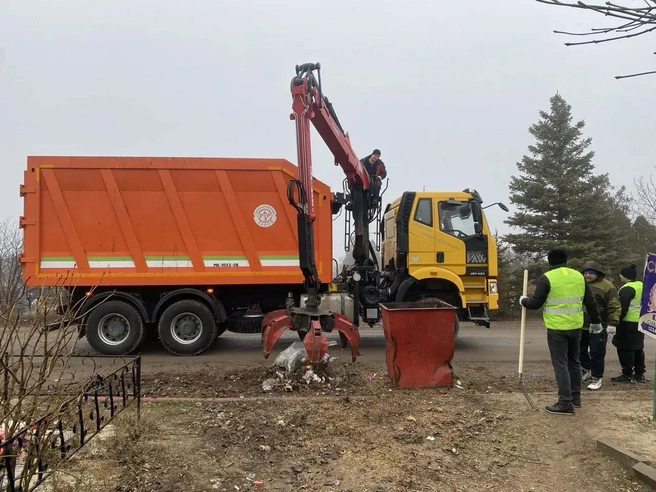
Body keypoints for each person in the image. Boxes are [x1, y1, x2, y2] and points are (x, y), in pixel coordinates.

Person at [519, 248, 602, 415]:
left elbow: (536, 303)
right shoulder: (578, 276)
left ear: (550, 261)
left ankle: (565, 403)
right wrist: (596, 321)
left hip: (557, 328)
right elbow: (590, 301)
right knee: (574, 362)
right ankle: (575, 398)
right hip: (576, 327)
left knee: (561, 365)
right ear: (566, 260)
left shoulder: (547, 278)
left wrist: (524, 301)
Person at [579, 261, 621, 390]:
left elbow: (614, 305)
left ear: (597, 273)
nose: (587, 276)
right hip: (580, 325)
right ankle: (586, 370)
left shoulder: (607, 286)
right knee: (579, 351)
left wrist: (612, 323)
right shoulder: (580, 284)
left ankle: (597, 377)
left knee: (597, 353)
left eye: (591, 273)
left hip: (599, 325)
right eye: (585, 273)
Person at [611, 264, 648, 383]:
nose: (619, 276)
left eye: (621, 274)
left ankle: (627, 373)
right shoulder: (642, 285)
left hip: (627, 322)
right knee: (638, 348)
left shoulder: (627, 288)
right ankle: (639, 373)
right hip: (640, 321)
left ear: (625, 276)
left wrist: (616, 320)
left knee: (625, 348)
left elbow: (622, 307)